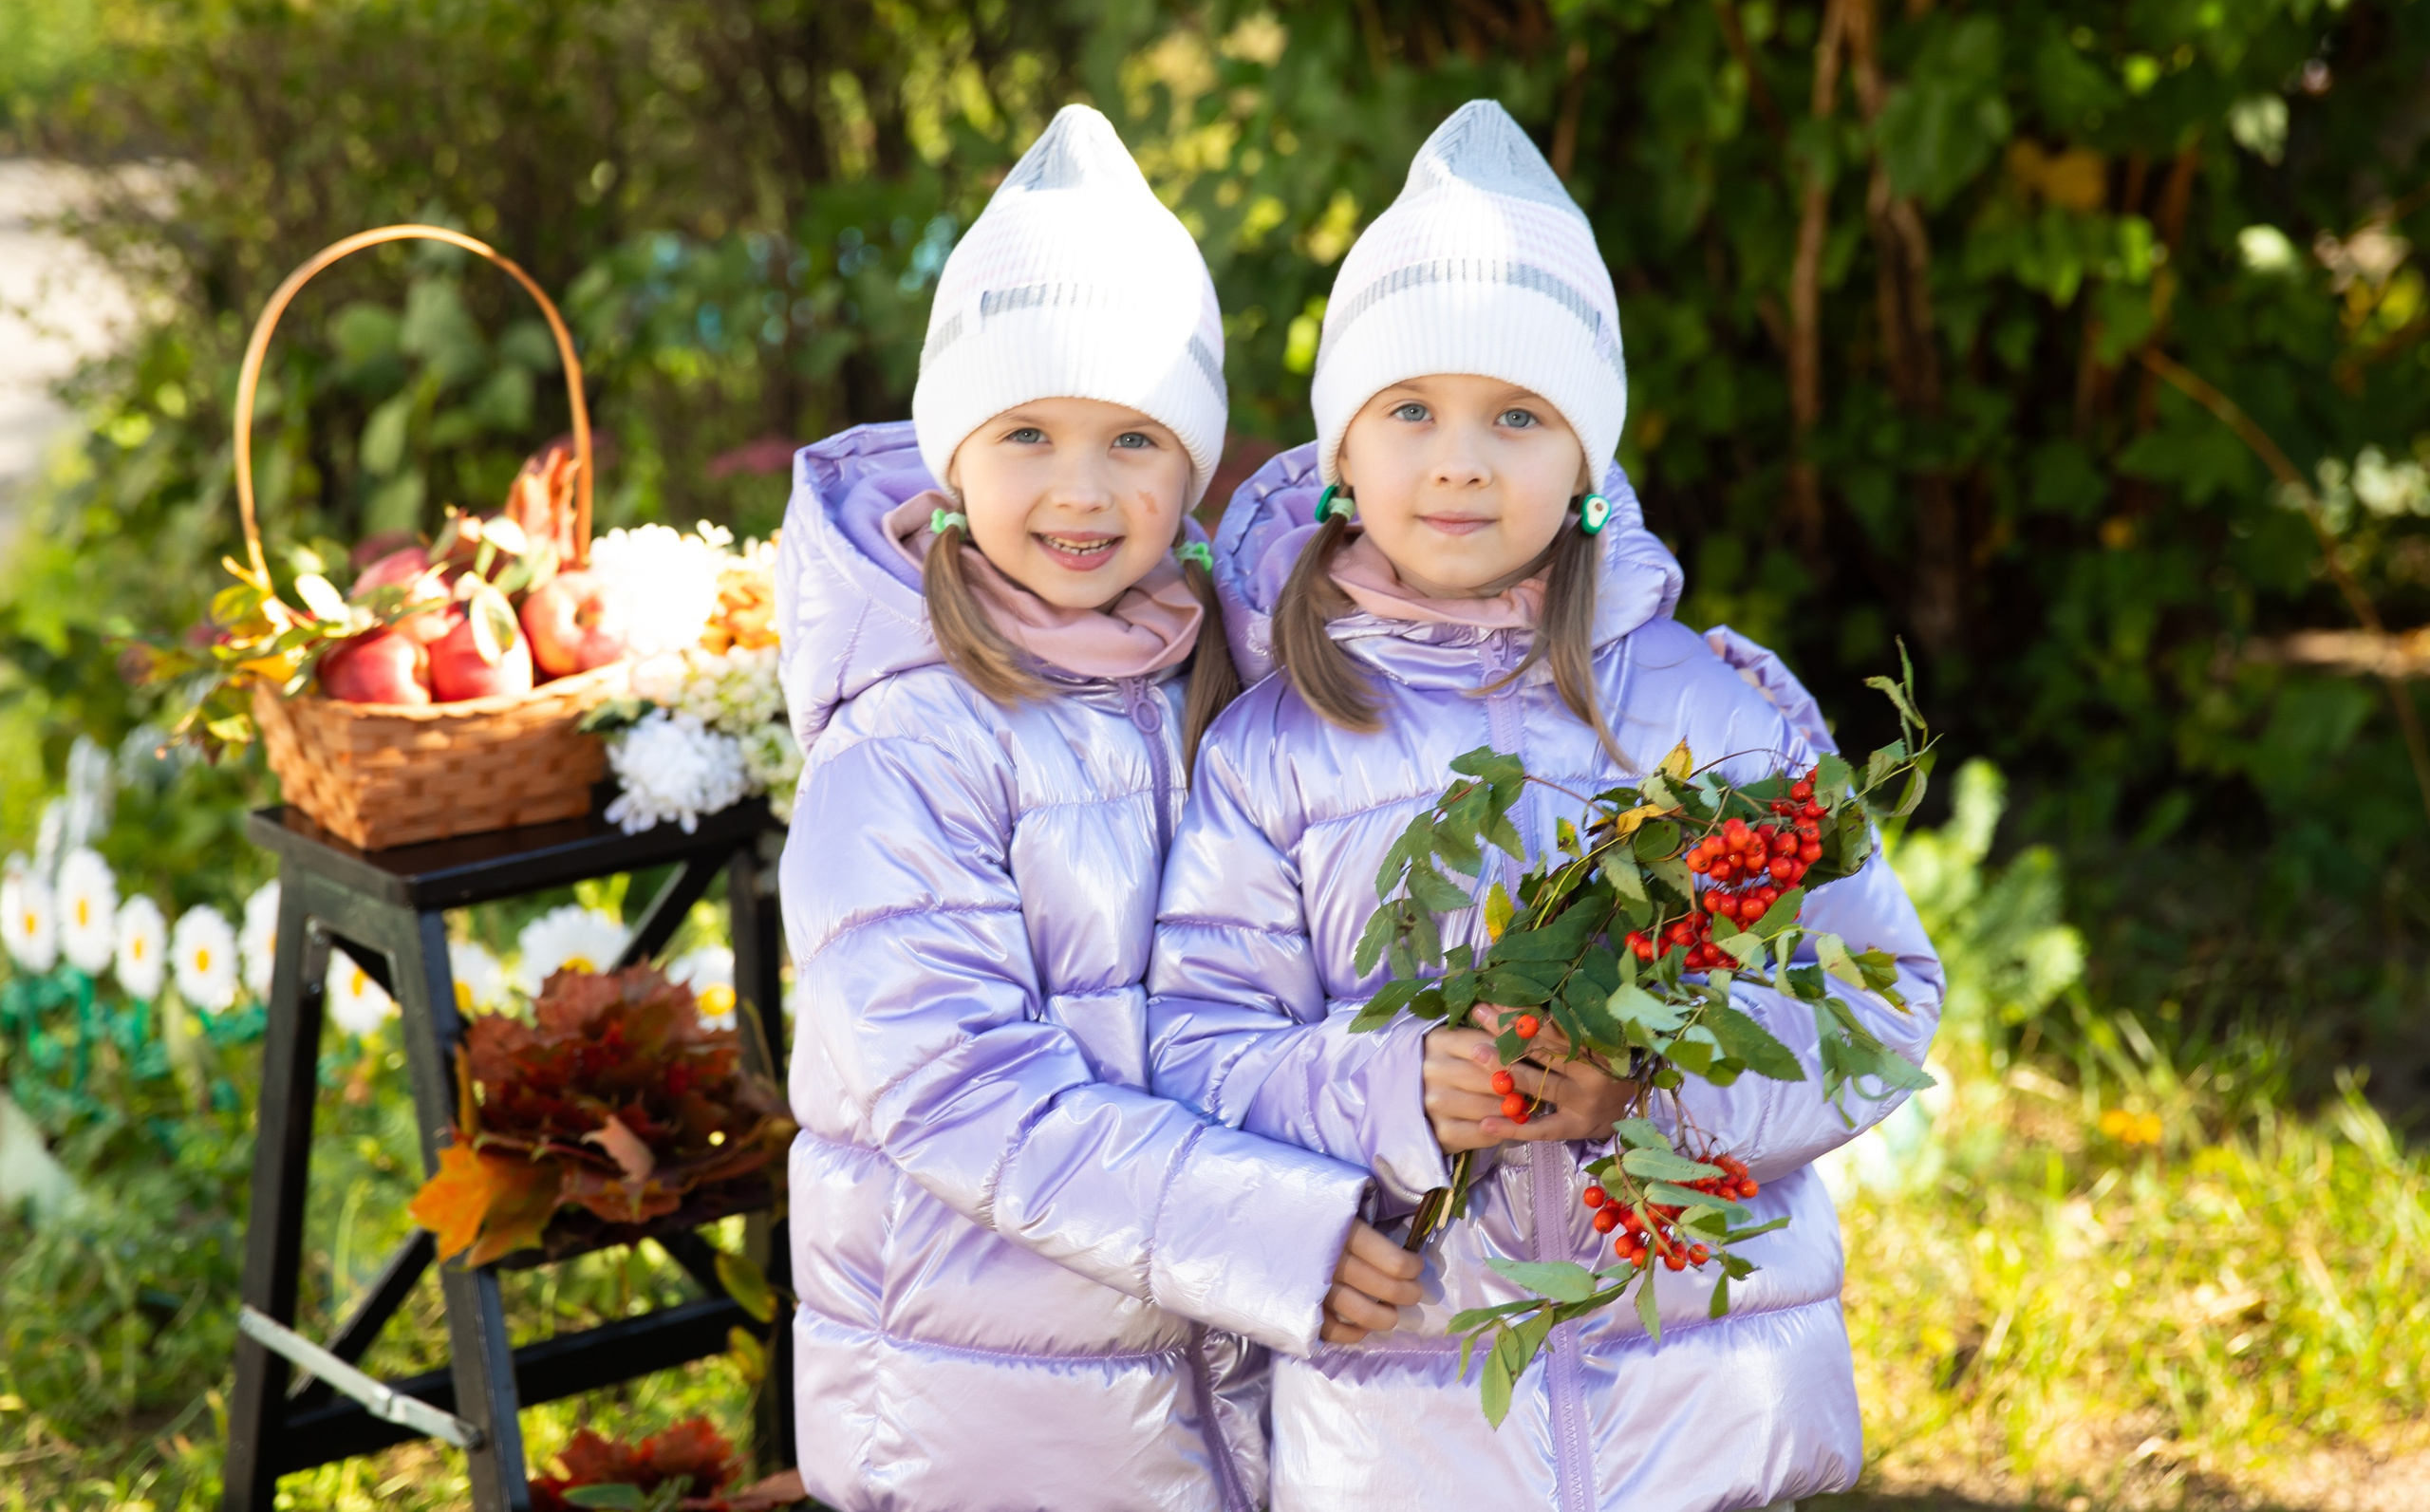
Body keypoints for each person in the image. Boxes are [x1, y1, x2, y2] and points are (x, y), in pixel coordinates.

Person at [1147, 100, 1944, 1511]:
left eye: (1519, 414)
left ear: (1588, 458)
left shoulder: (1708, 717)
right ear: (1343, 456)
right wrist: (1402, 1086)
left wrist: (1649, 1091)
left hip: (1701, 1409)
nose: (1460, 459)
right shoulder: (1277, 748)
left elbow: (1880, 1005)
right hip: (1411, 1422)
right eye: (1410, 410)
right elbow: (1203, 1047)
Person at [773, 104, 1421, 1512]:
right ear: (953, 454)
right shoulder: (904, 743)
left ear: (1193, 469)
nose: (1081, 489)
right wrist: (1271, 1234)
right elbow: (961, 1089)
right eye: (1026, 432)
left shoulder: (1217, 685)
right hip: (983, 1415)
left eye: (1135, 437)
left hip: (1200, 1398)